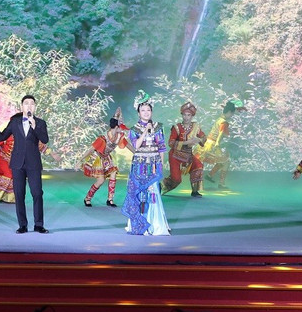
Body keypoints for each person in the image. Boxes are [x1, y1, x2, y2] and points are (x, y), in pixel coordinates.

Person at [0, 95, 50, 234]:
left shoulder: (40, 123)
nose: (29, 106)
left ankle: (39, 224)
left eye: (32, 104)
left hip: (33, 163)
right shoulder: (15, 122)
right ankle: (22, 225)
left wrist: (35, 126)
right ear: (22, 106)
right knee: (19, 194)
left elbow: (45, 139)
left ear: (35, 107)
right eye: (26, 103)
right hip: (17, 163)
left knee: (37, 193)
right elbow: (1, 137)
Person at [121, 90, 170, 236]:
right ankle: (139, 224)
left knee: (153, 193)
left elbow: (162, 148)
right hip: (139, 166)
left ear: (152, 111)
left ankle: (155, 225)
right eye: (143, 110)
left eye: (148, 110)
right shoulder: (134, 129)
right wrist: (145, 131)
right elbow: (136, 146)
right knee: (139, 194)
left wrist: (161, 165)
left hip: (153, 165)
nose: (146, 113)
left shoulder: (158, 127)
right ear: (138, 113)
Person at [79, 107, 130, 207]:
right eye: (121, 127)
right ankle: (87, 198)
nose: (122, 129)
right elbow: (91, 149)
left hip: (106, 157)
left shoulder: (119, 136)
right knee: (101, 180)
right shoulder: (104, 137)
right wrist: (80, 159)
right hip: (97, 157)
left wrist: (137, 153)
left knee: (113, 172)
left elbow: (128, 145)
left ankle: (110, 199)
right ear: (116, 127)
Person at [162, 101, 207, 198]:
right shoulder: (177, 128)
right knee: (176, 179)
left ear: (192, 116)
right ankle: (160, 187)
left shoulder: (195, 127)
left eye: (189, 115)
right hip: (175, 156)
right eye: (184, 115)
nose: (186, 117)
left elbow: (204, 137)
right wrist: (187, 142)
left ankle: (195, 191)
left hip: (188, 155)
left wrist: (199, 139)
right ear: (182, 115)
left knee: (198, 166)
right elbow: (171, 143)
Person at [202, 100, 242, 189]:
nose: (231, 116)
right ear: (229, 112)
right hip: (213, 144)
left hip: (209, 143)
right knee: (226, 162)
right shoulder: (224, 122)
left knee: (222, 161)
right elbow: (220, 133)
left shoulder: (219, 120)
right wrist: (217, 144)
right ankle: (221, 183)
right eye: (232, 114)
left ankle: (210, 175)